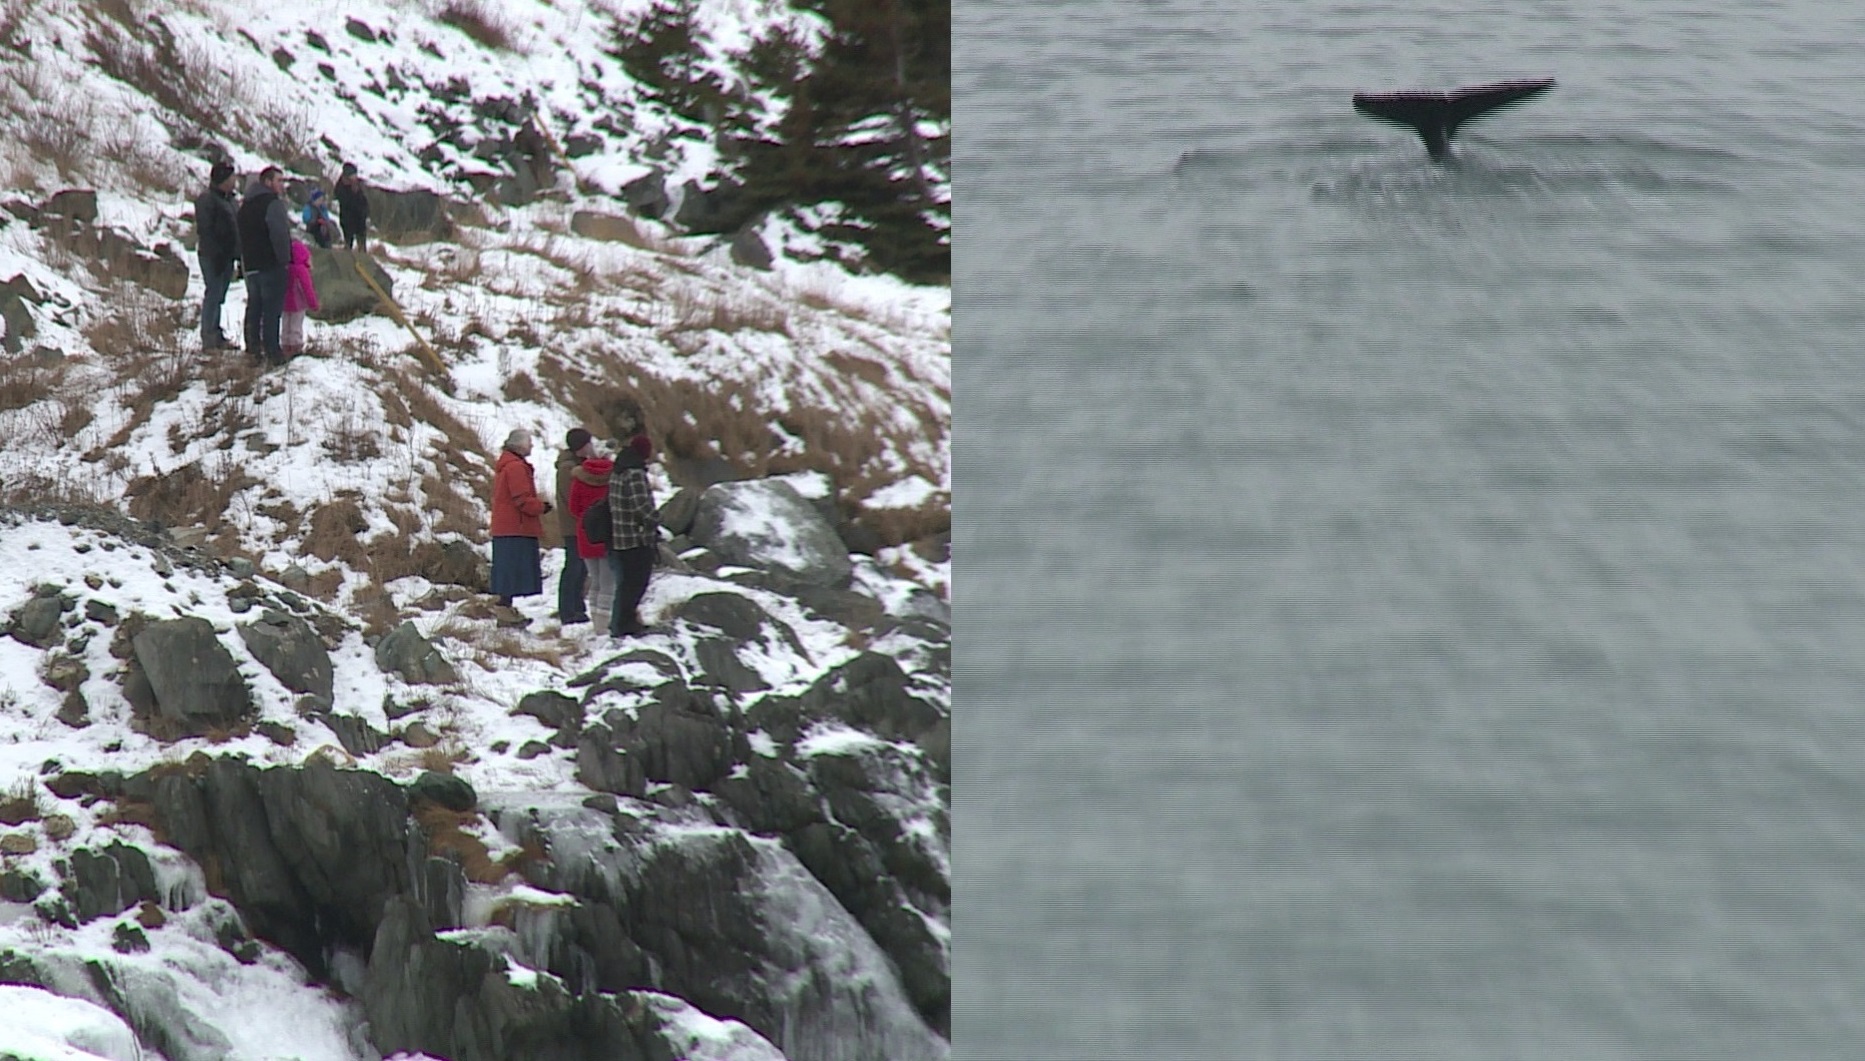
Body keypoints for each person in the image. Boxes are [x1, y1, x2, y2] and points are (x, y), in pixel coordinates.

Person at [605, 405, 659, 638]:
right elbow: (641, 506)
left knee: (626, 583)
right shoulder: (635, 472)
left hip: (620, 534)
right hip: (635, 537)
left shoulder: (619, 469)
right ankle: (623, 624)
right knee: (636, 583)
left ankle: (621, 622)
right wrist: (657, 519)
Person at [490, 428, 552, 618]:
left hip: (506, 527)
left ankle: (505, 612)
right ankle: (505, 614)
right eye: (529, 442)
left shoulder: (507, 464)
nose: (532, 445)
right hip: (516, 528)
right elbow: (522, 500)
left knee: (506, 574)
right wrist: (542, 507)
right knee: (512, 574)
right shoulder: (516, 467)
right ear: (519, 444)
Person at [236, 166, 292, 366]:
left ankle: (252, 349)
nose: (282, 185)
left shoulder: (245, 205)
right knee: (271, 310)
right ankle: (273, 352)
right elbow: (279, 234)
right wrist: (285, 259)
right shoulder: (273, 204)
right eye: (279, 180)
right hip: (271, 264)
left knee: (254, 307)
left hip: (251, 265)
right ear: (267, 182)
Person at [553, 427, 602, 624]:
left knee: (581, 568)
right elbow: (572, 496)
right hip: (573, 525)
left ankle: (577, 607)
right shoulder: (568, 469)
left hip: (581, 524)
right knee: (573, 566)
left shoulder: (578, 464)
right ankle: (567, 610)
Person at [566, 435, 615, 627]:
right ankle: (605, 626)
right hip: (607, 534)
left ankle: (596, 624)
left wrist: (585, 518)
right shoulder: (613, 478)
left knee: (595, 581)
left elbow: (573, 507)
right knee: (608, 584)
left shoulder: (579, 477)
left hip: (585, 534)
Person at [192, 160, 240, 350]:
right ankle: (208, 336)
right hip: (212, 255)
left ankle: (216, 332)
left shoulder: (230, 200)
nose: (234, 180)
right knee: (213, 293)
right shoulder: (207, 200)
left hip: (228, 255)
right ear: (223, 179)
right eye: (231, 177)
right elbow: (206, 230)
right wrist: (218, 253)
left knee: (219, 294)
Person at [281, 238, 319, 358]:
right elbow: (307, 289)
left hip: (284, 304)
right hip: (298, 304)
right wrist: (314, 304)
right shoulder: (302, 270)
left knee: (286, 326)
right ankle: (296, 348)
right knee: (296, 327)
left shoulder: (285, 268)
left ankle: (285, 346)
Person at [334, 162, 369, 252]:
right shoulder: (341, 186)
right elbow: (344, 200)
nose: (354, 177)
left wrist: (365, 213)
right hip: (347, 219)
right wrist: (353, 193)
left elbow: (364, 201)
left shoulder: (358, 185)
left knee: (362, 246)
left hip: (360, 219)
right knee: (348, 244)